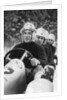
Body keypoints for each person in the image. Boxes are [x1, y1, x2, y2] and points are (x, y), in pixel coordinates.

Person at [4, 22, 47, 94]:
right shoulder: (17, 46)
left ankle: (37, 91)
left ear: (32, 35)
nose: (26, 35)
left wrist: (37, 61)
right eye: (25, 33)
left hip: (31, 73)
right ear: (22, 35)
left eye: (29, 33)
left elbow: (44, 61)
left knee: (39, 68)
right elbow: (8, 58)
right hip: (18, 71)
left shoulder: (39, 48)